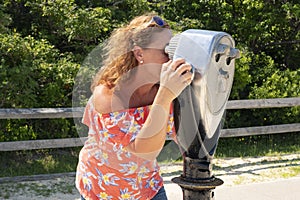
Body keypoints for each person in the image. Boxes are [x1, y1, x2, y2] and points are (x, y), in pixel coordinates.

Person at [75, 13, 193, 200]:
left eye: (174, 49)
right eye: (165, 50)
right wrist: (165, 95)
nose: (172, 57)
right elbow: (146, 151)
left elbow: (186, 139)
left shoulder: (169, 89)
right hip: (102, 190)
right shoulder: (109, 95)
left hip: (147, 188)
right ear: (139, 54)